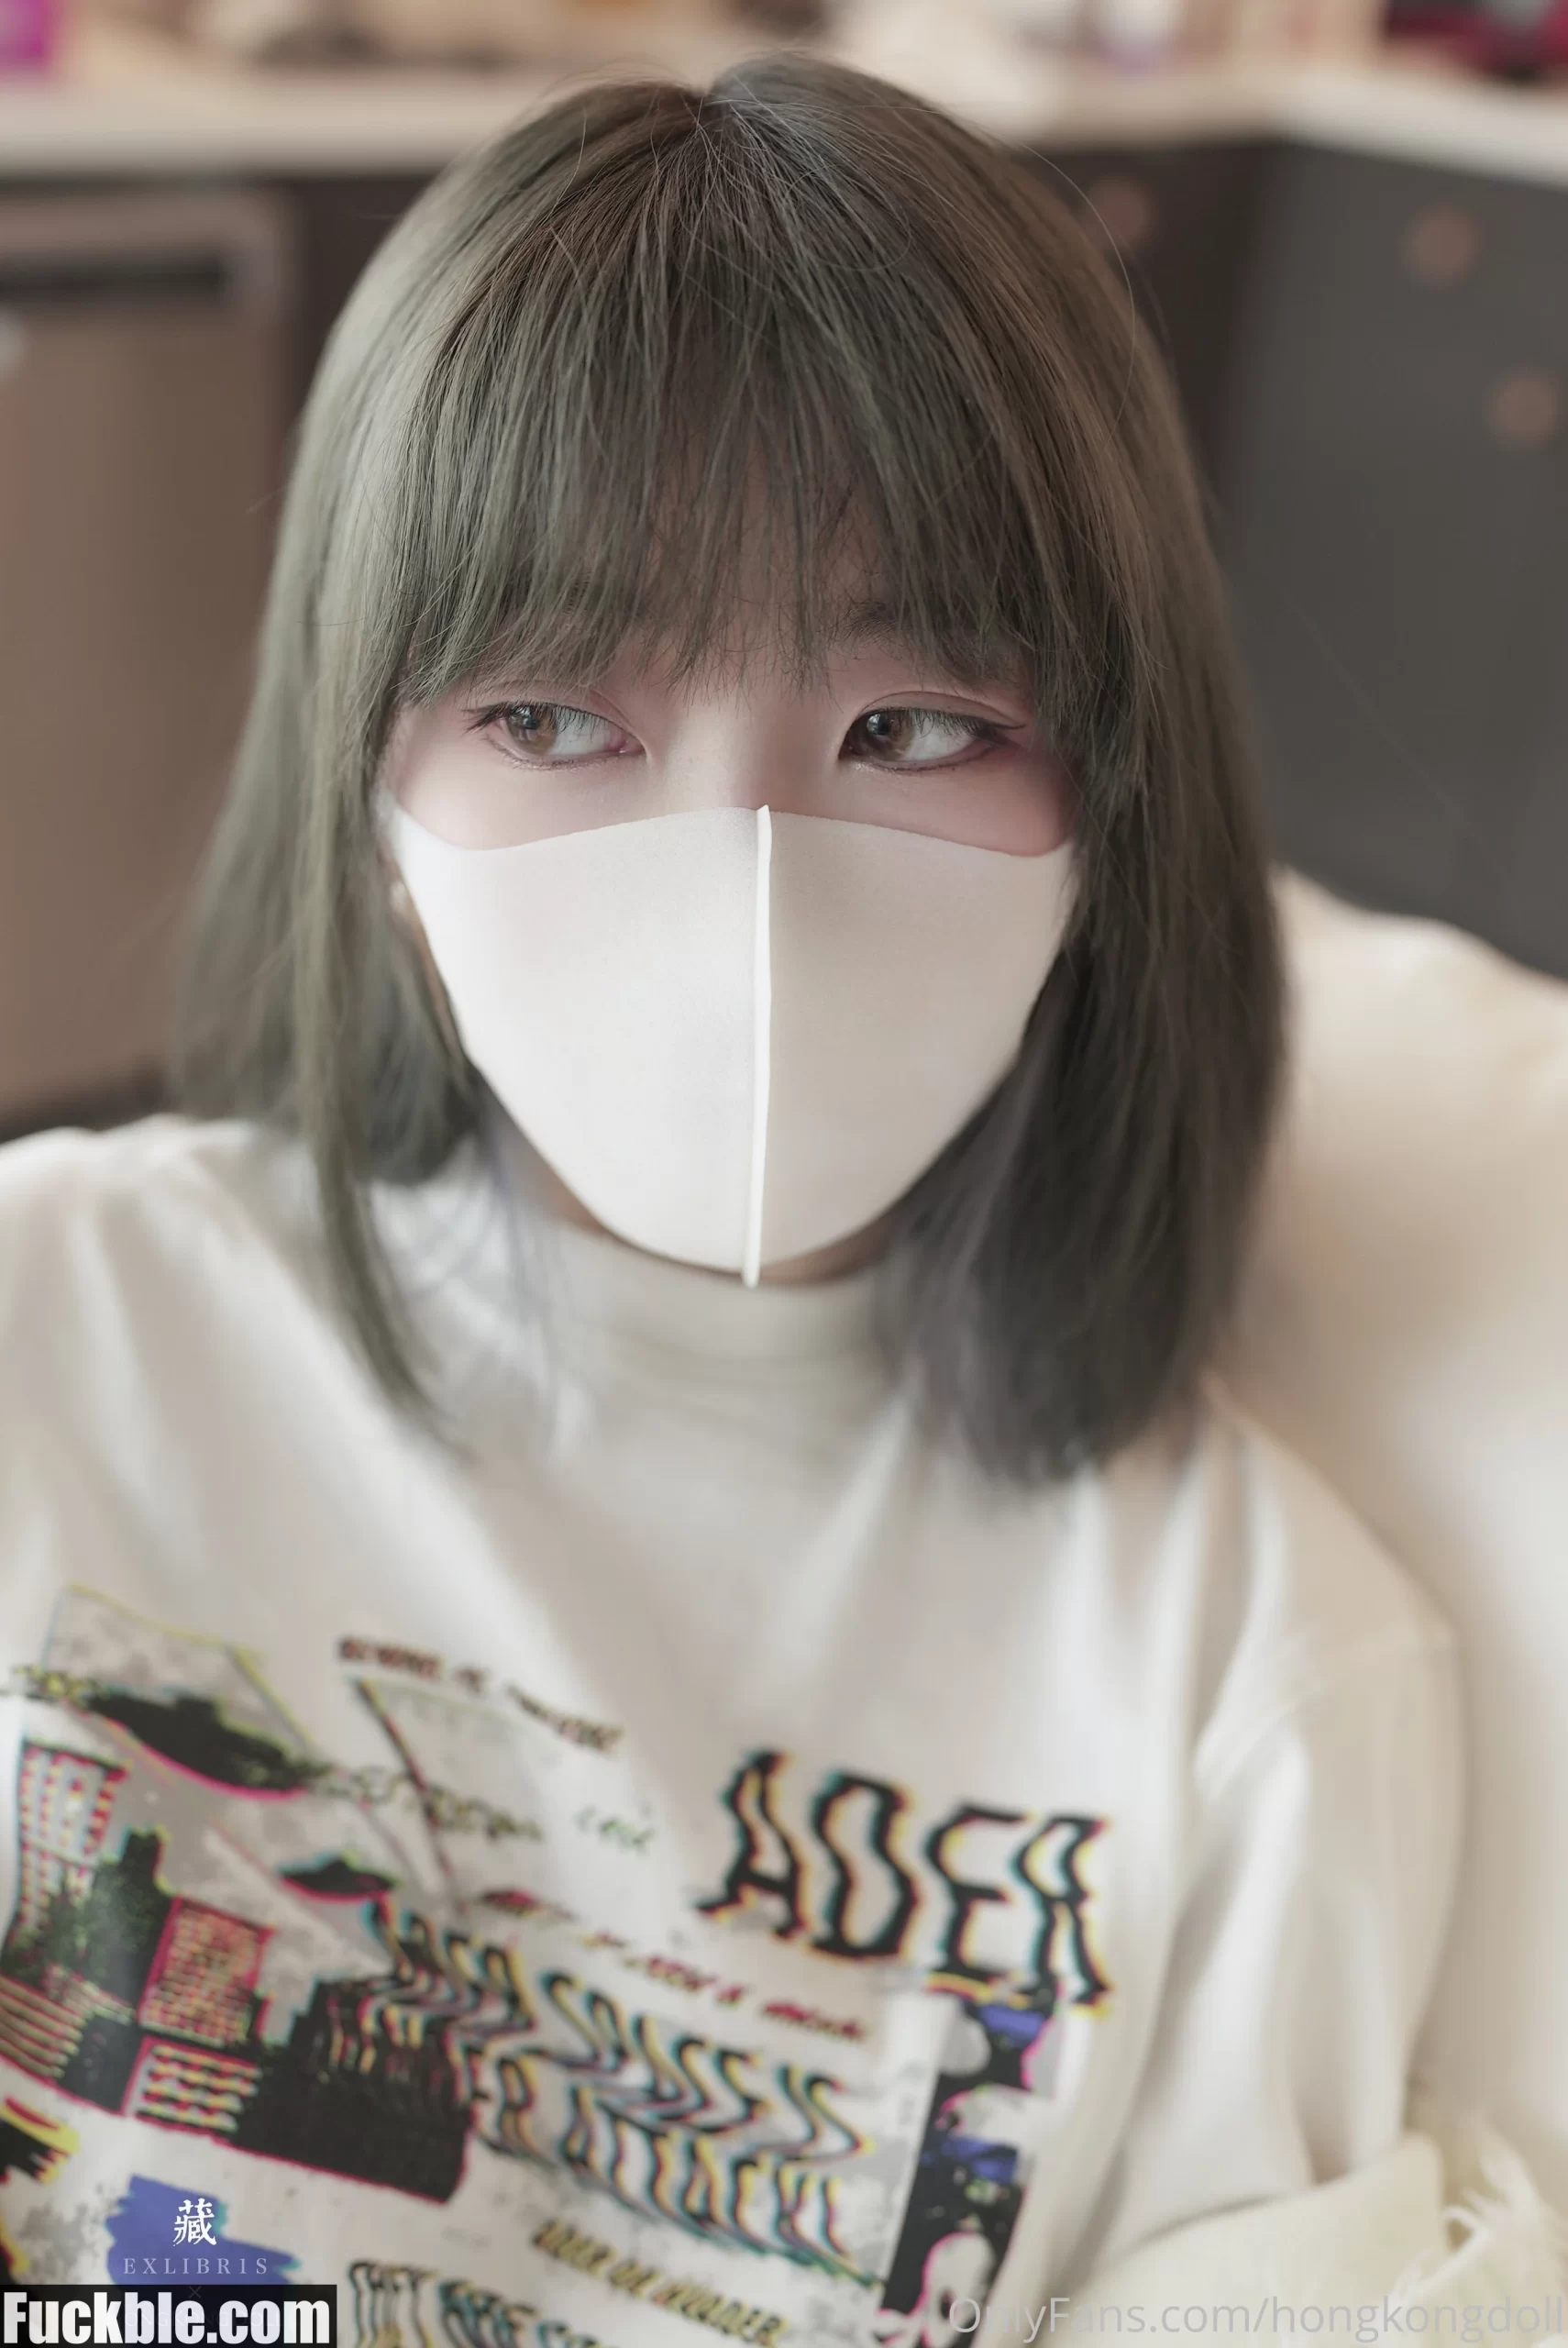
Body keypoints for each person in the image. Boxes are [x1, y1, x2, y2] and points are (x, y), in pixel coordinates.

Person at [0, 51, 1461, 2346]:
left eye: (915, 724)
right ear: (370, 805)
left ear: (1113, 805)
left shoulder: (1254, 1668)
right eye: (556, 717)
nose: (739, 884)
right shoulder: (51, 1340)